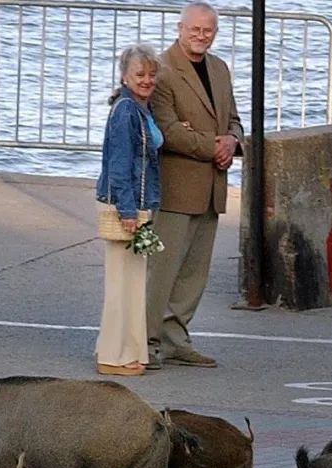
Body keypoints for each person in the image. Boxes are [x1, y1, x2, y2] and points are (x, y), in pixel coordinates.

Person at [146, 0, 244, 369]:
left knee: (193, 274)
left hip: (212, 186)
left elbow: (233, 120)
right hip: (177, 186)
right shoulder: (162, 70)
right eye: (196, 30)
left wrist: (233, 142)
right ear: (180, 28)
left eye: (208, 31)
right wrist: (213, 146)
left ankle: (176, 339)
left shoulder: (219, 69)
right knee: (162, 270)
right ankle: (148, 342)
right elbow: (166, 130)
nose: (202, 36)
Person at [93, 44, 163, 376]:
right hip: (128, 205)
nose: (147, 80)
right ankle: (112, 355)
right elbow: (119, 164)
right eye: (140, 74)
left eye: (151, 74)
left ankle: (127, 351)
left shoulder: (140, 109)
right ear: (124, 76)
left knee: (132, 282)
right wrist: (127, 210)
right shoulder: (125, 112)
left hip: (140, 203)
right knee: (122, 283)